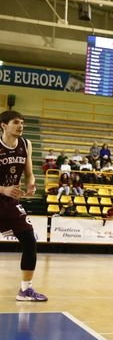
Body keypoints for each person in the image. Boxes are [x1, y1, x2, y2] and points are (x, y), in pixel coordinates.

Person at [0, 111, 46, 302]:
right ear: (3, 125)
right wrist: (3, 189)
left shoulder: (26, 144)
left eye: (23, 123)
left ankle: (25, 290)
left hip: (11, 203)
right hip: (3, 193)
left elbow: (29, 173)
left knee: (29, 240)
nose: (20, 126)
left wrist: (31, 183)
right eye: (16, 122)